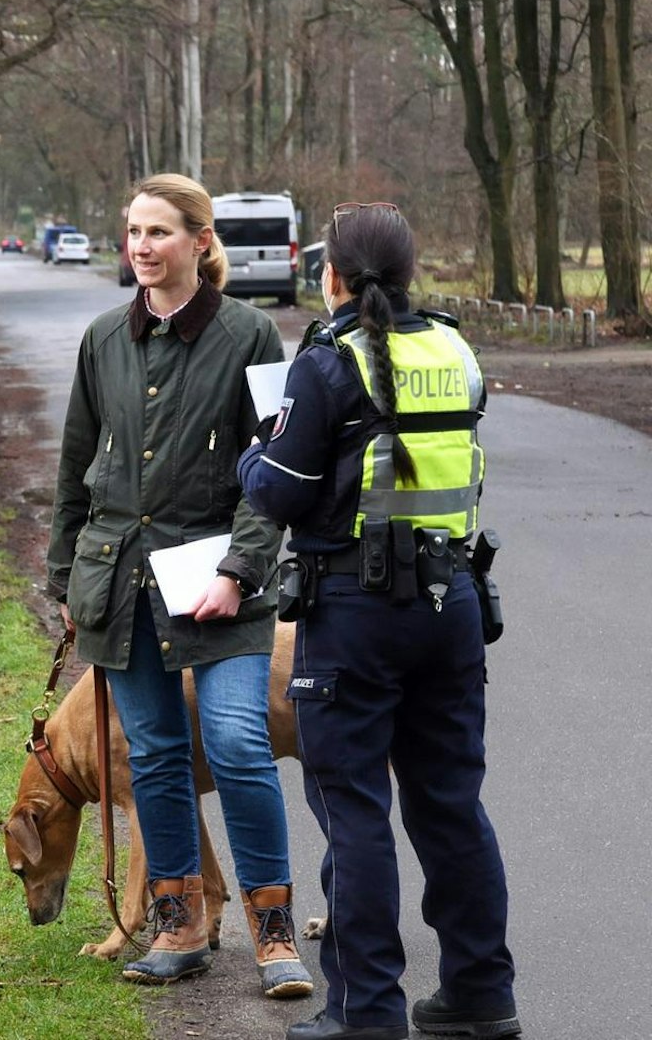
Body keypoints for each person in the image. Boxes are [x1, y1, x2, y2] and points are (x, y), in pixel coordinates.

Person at [240, 203, 518, 1040]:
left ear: (332, 275)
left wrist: (257, 446)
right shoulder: (455, 348)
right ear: (408, 271)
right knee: (450, 803)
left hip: (355, 614)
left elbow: (279, 491)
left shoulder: (328, 362)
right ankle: (479, 993)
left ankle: (367, 1013)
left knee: (353, 808)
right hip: (452, 603)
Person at [47, 173, 312, 998]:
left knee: (235, 742)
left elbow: (275, 470)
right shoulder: (101, 339)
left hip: (219, 586)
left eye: (158, 232)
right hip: (120, 586)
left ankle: (273, 930)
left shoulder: (253, 336)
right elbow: (74, 470)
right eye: (132, 231)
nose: (141, 246)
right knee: (156, 756)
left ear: (201, 241)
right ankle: (179, 920)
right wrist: (65, 575)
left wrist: (241, 569)